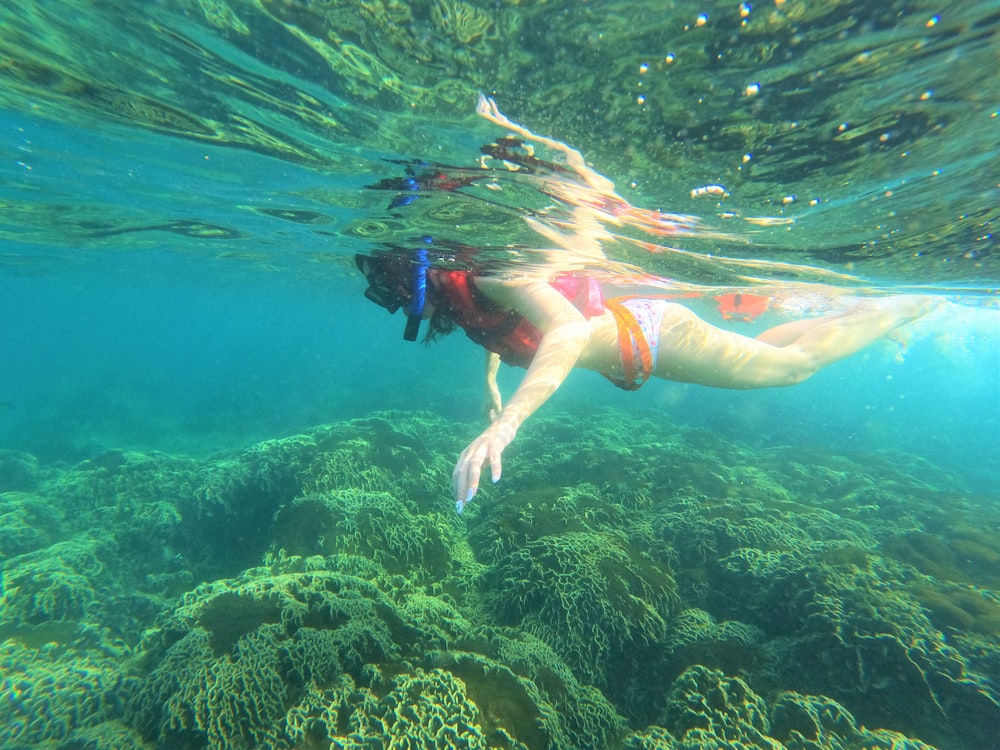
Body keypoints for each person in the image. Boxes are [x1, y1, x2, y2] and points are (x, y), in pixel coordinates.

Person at [357, 98, 940, 513]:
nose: (392, 304)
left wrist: (507, 425)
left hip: (650, 337)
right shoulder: (461, 299)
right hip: (641, 340)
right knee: (764, 351)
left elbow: (564, 329)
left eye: (391, 289)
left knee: (792, 369)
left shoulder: (489, 272)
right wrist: (490, 388)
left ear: (417, 271)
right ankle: (855, 317)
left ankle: (900, 310)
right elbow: (500, 331)